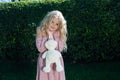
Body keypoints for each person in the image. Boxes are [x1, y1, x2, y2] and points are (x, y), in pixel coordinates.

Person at [36, 10, 67, 80]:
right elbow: (40, 49)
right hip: (44, 61)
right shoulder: (40, 31)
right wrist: (46, 34)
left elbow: (60, 49)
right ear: (47, 20)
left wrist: (58, 35)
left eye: (57, 24)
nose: (53, 25)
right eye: (52, 22)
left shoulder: (58, 33)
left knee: (57, 77)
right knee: (44, 77)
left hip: (57, 61)